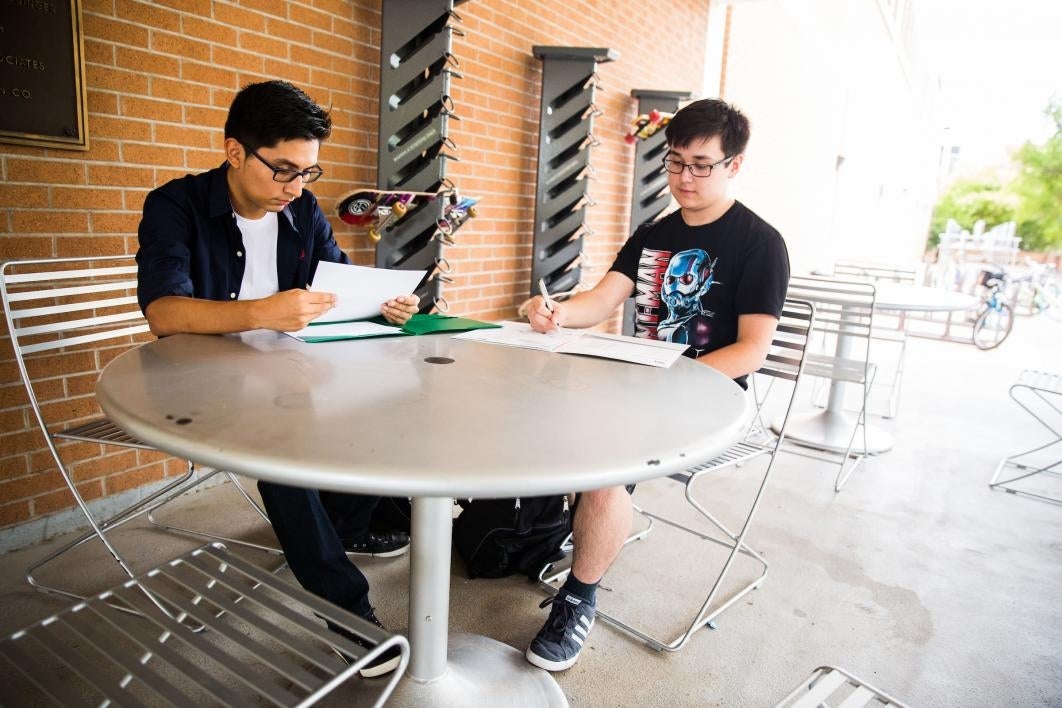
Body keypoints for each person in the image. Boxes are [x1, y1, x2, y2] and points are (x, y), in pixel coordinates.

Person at [136, 80, 419, 677]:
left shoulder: (301, 210)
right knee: (284, 448)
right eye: (283, 171)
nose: (295, 189)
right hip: (205, 383)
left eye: (307, 175)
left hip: (294, 372)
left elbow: (336, 282)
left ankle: (343, 525)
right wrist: (263, 312)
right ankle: (345, 613)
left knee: (389, 398)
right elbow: (164, 313)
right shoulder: (174, 206)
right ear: (235, 151)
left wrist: (383, 303)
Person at [522, 98, 790, 671]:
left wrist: (664, 381)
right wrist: (555, 313)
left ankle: (578, 597)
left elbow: (751, 351)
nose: (684, 178)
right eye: (674, 162)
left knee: (604, 468)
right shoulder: (654, 232)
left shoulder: (760, 244)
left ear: (734, 166)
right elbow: (600, 299)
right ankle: (571, 526)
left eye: (701, 165)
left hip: (710, 397)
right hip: (639, 386)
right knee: (538, 408)